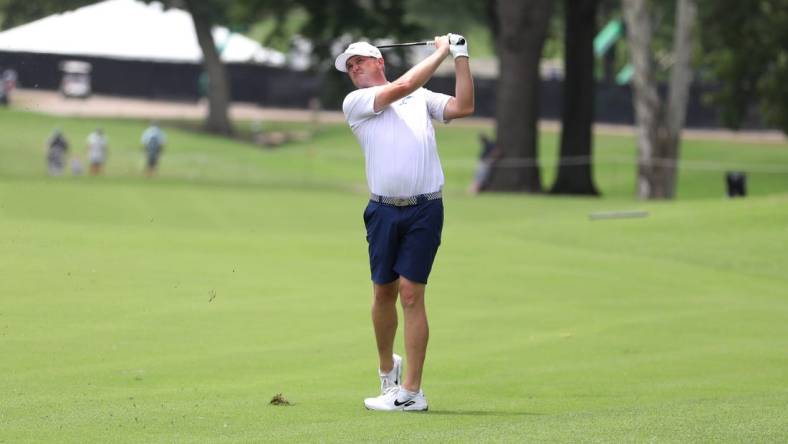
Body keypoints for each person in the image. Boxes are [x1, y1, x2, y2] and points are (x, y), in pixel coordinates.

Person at [336, 33, 474, 411]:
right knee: (384, 292)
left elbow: (463, 106)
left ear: (378, 60)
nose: (354, 68)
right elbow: (405, 84)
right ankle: (387, 372)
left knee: (411, 293)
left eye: (359, 61)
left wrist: (460, 56)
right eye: (349, 66)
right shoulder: (357, 101)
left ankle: (411, 392)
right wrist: (442, 51)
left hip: (425, 208)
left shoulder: (420, 99)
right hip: (382, 209)